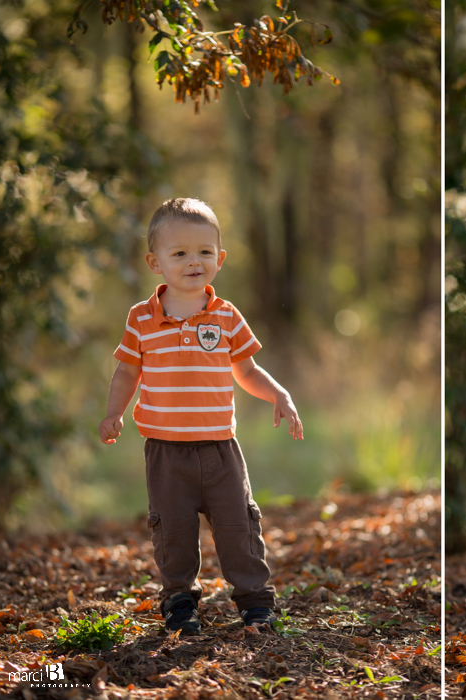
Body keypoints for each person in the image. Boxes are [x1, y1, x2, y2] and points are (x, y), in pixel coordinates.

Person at [99, 198, 304, 635]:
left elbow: (246, 370)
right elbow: (127, 371)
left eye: (205, 252)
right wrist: (114, 412)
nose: (194, 262)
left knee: (237, 526)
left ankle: (254, 601)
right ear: (156, 262)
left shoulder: (226, 317)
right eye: (180, 254)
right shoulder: (142, 319)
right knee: (172, 532)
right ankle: (178, 602)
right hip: (165, 452)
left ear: (220, 258)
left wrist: (279, 394)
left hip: (220, 449)